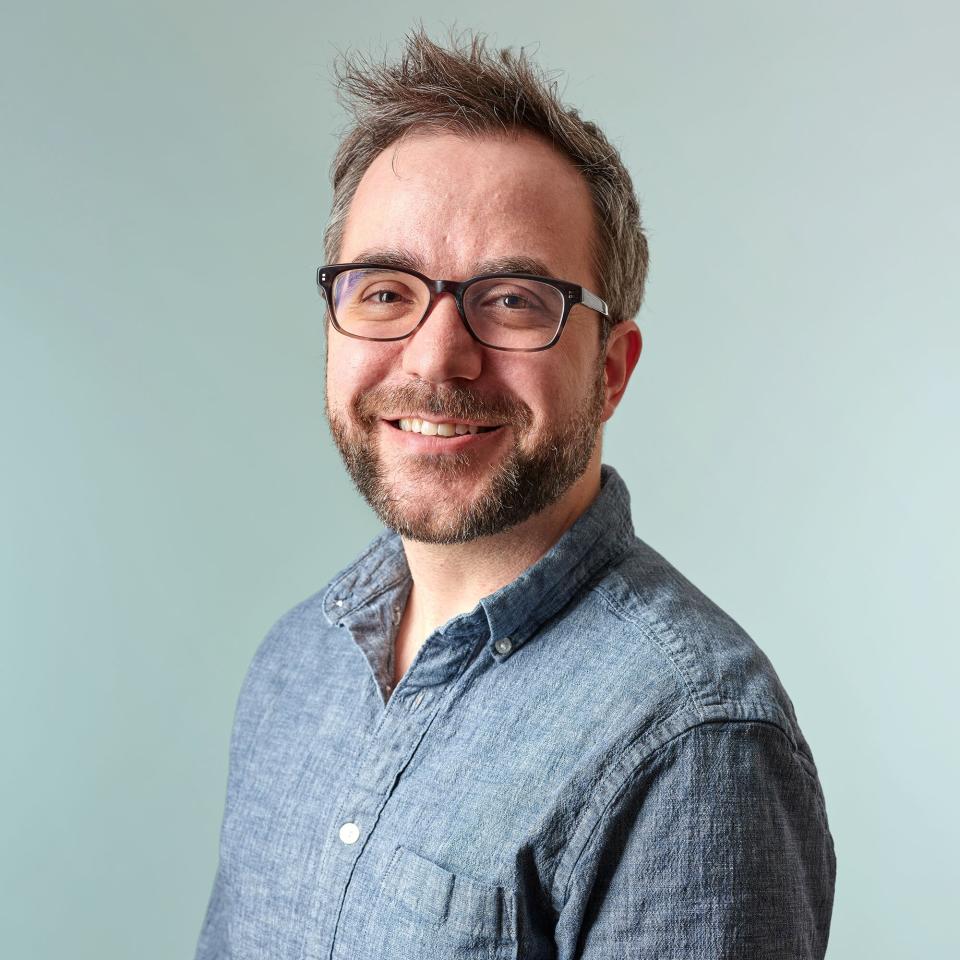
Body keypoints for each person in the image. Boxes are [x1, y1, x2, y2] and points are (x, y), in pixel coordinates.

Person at [195, 30, 836, 960]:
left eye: (513, 301)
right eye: (384, 292)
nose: (436, 357)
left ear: (611, 372)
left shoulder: (696, 743)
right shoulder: (296, 667)